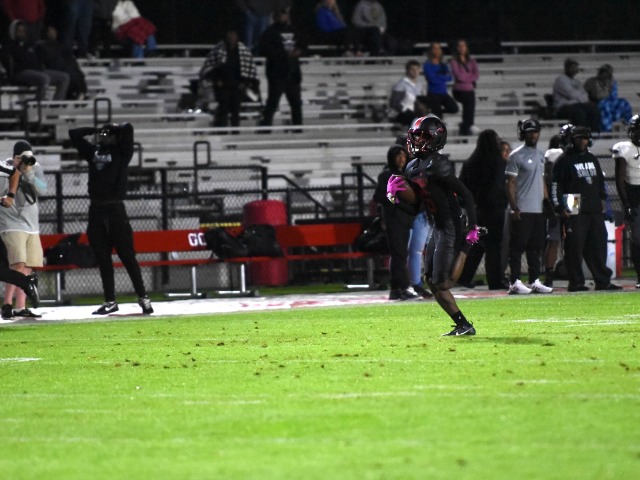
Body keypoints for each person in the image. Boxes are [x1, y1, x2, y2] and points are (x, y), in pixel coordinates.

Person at [387, 115, 482, 336]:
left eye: (422, 136)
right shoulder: (412, 166)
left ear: (435, 139)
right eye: (415, 135)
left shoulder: (438, 164)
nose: (416, 140)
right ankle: (463, 325)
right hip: (437, 226)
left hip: (451, 224)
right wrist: (395, 197)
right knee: (430, 280)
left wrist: (472, 227)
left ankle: (467, 247)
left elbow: (466, 194)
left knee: (444, 283)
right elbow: (416, 206)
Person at [69, 122, 154, 315]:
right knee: (103, 259)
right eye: (102, 134)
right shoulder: (93, 153)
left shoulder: (122, 153)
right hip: (96, 211)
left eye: (107, 134)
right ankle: (110, 301)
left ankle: (143, 297)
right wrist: (94, 129)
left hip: (116, 210)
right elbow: (74, 134)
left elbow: (129, 128)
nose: (103, 137)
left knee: (128, 257)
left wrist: (115, 127)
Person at [551, 126, 621, 292]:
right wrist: (559, 206)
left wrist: (602, 198)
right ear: (572, 139)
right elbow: (555, 186)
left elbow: (599, 181)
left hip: (593, 206)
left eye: (585, 138)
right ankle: (576, 282)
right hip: (572, 201)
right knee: (574, 247)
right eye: (579, 138)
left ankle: (602, 281)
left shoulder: (592, 158)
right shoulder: (564, 160)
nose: (583, 141)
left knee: (598, 245)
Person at [505, 119, 553, 295]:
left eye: (536, 131)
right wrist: (514, 206)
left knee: (535, 248)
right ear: (523, 134)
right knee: (517, 247)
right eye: (530, 132)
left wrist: (546, 202)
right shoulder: (516, 156)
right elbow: (510, 183)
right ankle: (514, 282)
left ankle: (534, 280)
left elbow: (542, 181)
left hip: (537, 209)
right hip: (523, 208)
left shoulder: (540, 155)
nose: (534, 135)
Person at [0, 140, 46, 319]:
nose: (26, 160)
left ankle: (21, 306)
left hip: (31, 225)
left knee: (27, 265)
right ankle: (7, 304)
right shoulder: (6, 168)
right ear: (15, 157)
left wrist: (29, 173)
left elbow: (42, 190)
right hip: (11, 223)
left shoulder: (35, 167)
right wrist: (16, 170)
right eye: (22, 157)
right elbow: (4, 192)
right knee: (16, 264)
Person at [458, 129, 509, 290]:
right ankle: (495, 280)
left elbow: (462, 186)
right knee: (494, 246)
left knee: (476, 245)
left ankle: (464, 277)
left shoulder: (470, 162)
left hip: (476, 210)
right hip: (494, 210)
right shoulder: (497, 162)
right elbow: (499, 187)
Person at [373, 144, 419, 300]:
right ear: (391, 158)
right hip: (393, 219)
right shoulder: (387, 175)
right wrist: (394, 199)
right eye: (397, 155)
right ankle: (404, 287)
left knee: (400, 254)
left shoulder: (407, 175)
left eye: (403, 155)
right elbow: (380, 196)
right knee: (399, 254)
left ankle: (395, 289)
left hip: (405, 219)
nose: (401, 158)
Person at [199, 30, 258, 129]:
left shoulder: (243, 50)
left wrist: (244, 83)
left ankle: (235, 131)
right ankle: (222, 130)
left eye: (233, 38)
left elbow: (249, 69)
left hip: (237, 86)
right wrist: (217, 81)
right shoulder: (218, 49)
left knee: (236, 111)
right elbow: (210, 68)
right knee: (223, 109)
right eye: (229, 39)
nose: (231, 41)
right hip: (222, 86)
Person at [258, 7, 304, 128]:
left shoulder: (294, 30)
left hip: (293, 73)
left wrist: (299, 51)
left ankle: (298, 128)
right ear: (274, 17)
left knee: (296, 103)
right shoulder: (269, 32)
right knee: (272, 103)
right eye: (278, 15)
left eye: (283, 14)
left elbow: (304, 45)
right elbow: (263, 50)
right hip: (277, 73)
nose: (281, 17)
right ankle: (266, 129)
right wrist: (283, 54)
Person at [2, 20, 70, 100]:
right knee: (44, 78)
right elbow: (7, 63)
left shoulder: (30, 45)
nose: (21, 33)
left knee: (64, 77)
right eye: (19, 31)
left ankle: (56, 104)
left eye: (23, 31)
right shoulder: (8, 46)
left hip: (37, 70)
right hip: (22, 72)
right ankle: (39, 103)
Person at [542, 125, 572, 288]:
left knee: (574, 239)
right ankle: (549, 275)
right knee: (553, 239)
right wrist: (551, 201)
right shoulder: (554, 153)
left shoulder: (578, 154)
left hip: (573, 197)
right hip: (559, 197)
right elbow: (548, 178)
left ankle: (573, 274)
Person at [612, 114, 640, 288]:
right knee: (638, 239)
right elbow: (620, 179)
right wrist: (626, 203)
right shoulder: (623, 148)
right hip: (634, 195)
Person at [36, 25, 88, 100]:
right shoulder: (41, 46)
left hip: (63, 67)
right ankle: (75, 94)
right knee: (67, 74)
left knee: (76, 72)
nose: (54, 33)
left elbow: (69, 58)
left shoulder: (59, 45)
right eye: (51, 31)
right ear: (46, 33)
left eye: (54, 31)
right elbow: (48, 61)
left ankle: (79, 93)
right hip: (53, 68)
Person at [314, 0, 381, 56]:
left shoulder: (336, 13)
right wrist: (338, 29)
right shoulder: (322, 11)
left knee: (365, 30)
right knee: (348, 30)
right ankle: (349, 51)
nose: (331, 1)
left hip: (342, 32)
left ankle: (366, 52)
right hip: (331, 34)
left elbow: (342, 25)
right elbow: (323, 27)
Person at [552, 58, 601, 132]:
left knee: (594, 109)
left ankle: (594, 134)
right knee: (579, 113)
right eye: (572, 67)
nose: (574, 69)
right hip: (563, 107)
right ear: (567, 68)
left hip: (578, 105)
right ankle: (580, 134)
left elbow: (585, 96)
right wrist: (579, 96)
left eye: (575, 67)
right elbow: (570, 94)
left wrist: (579, 97)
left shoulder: (576, 81)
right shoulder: (561, 80)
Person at [583, 64, 633, 133]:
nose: (606, 75)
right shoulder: (591, 81)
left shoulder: (611, 81)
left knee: (624, 103)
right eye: (604, 72)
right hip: (597, 102)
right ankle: (607, 129)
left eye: (608, 73)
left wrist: (608, 87)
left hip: (610, 101)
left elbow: (613, 95)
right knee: (605, 106)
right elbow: (592, 95)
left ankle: (629, 124)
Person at [450, 39, 480, 136]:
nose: (462, 48)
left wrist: (466, 77)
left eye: (464, 46)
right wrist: (469, 77)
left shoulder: (472, 61)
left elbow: (476, 75)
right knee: (469, 99)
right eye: (460, 46)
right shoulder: (454, 61)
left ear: (467, 48)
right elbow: (459, 76)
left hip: (469, 90)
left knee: (470, 101)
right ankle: (469, 125)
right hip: (459, 90)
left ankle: (465, 127)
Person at [422, 42, 459, 121]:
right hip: (433, 93)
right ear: (431, 50)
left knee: (454, 108)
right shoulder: (427, 64)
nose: (437, 50)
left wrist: (437, 76)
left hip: (443, 92)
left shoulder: (443, 64)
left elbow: (450, 78)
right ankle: (436, 114)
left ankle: (435, 112)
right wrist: (442, 77)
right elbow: (432, 79)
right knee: (438, 118)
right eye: (434, 48)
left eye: (438, 48)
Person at [388, 59, 429, 128]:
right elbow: (394, 103)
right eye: (412, 69)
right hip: (402, 113)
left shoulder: (419, 85)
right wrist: (406, 110)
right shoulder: (401, 84)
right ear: (407, 70)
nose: (415, 72)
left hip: (417, 111)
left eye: (417, 69)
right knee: (416, 120)